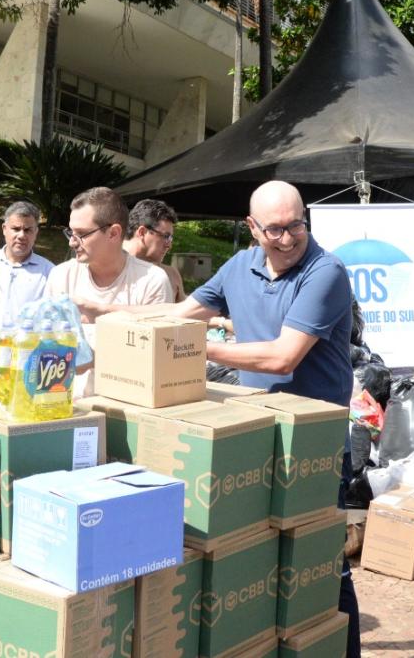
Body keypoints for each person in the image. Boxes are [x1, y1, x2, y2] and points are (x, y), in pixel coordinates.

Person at [166, 180, 360, 656]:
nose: (290, 238)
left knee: (321, 567)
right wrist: (110, 320)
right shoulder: (238, 266)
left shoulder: (325, 270)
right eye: (276, 229)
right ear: (252, 228)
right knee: (257, 562)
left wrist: (199, 349)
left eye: (297, 225)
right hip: (257, 437)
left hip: (317, 447)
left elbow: (282, 358)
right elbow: (179, 314)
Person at [0, 201, 53, 410]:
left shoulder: (48, 272)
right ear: (4, 229)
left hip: (21, 371)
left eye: (28, 230)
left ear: (36, 233)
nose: (21, 235)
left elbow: (48, 322)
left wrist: (7, 341)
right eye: (16, 229)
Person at [48, 187, 172, 323]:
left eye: (82, 234)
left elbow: (154, 342)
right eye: (71, 232)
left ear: (113, 233)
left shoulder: (152, 281)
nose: (72, 242)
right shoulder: (61, 276)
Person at [124, 198, 185, 301]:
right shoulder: (104, 265)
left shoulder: (170, 274)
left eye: (170, 238)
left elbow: (184, 313)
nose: (169, 245)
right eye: (166, 236)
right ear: (142, 232)